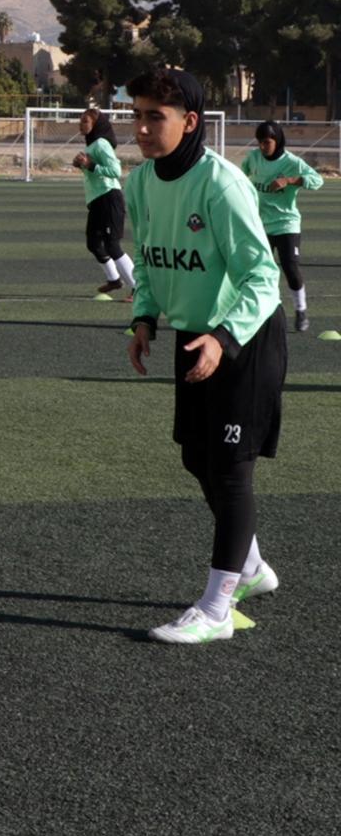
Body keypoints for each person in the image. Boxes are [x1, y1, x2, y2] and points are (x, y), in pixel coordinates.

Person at [124, 68, 285, 645]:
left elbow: (263, 278)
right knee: (197, 458)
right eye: (137, 114)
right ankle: (252, 566)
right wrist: (144, 317)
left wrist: (224, 337)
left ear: (190, 123)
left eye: (154, 117)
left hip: (243, 339)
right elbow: (146, 259)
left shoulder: (220, 184)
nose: (141, 128)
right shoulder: (140, 183)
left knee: (230, 469)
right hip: (196, 338)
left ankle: (217, 609)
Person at [241, 120, 323, 332]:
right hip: (260, 225)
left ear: (277, 141)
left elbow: (317, 181)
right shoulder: (254, 158)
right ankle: (259, 312)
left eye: (266, 142)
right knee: (256, 270)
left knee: (290, 268)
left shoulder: (291, 162)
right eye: (259, 142)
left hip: (287, 224)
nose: (262, 146)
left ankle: (301, 310)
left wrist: (290, 180)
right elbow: (241, 176)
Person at [72, 108, 136, 297]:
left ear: (96, 124)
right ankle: (114, 280)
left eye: (85, 121)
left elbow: (116, 171)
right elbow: (94, 171)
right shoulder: (91, 145)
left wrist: (90, 165)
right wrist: (83, 166)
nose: (80, 124)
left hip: (109, 198)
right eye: (81, 120)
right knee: (93, 243)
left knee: (112, 245)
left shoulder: (101, 143)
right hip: (98, 200)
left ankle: (139, 288)